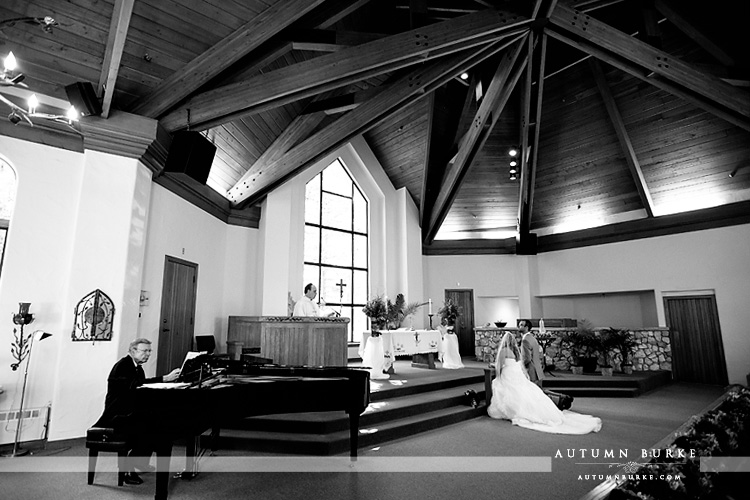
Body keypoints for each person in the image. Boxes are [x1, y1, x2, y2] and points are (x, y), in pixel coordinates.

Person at [94, 338, 180, 485]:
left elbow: (141, 390)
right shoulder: (122, 366)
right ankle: (128, 468)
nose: (148, 354)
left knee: (155, 423)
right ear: (133, 351)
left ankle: (139, 462)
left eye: (149, 351)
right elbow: (133, 386)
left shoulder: (137, 367)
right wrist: (164, 379)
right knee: (149, 428)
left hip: (128, 411)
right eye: (144, 351)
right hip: (116, 416)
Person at [487, 331, 602, 434]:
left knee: (500, 385)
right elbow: (518, 363)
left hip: (509, 374)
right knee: (524, 392)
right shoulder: (515, 352)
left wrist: (496, 373)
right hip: (516, 374)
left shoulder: (504, 350)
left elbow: (499, 366)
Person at [519, 319, 544, 387]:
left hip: (531, 371)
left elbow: (527, 358)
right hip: (538, 371)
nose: (519, 326)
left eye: (521, 325)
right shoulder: (533, 338)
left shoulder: (525, 340)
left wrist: (519, 365)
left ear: (526, 327)